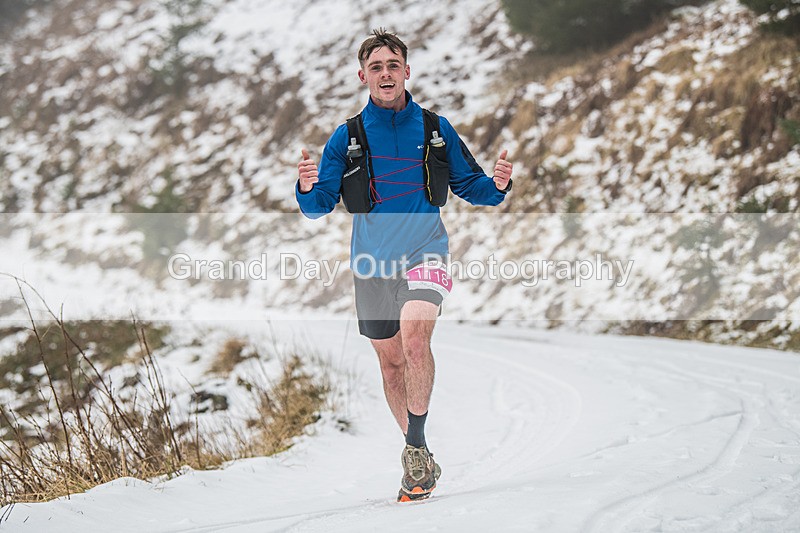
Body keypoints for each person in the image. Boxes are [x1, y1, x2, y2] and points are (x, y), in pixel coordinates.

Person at [295, 28, 512, 502]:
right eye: (377, 67)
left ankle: (414, 449)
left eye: (393, 65)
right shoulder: (347, 137)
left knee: (415, 341)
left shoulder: (435, 128)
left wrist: (496, 186)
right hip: (371, 265)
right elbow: (320, 206)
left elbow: (471, 185)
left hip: (426, 252)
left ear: (407, 72)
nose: (386, 73)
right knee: (391, 364)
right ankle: (420, 449)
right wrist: (308, 189)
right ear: (363, 77)